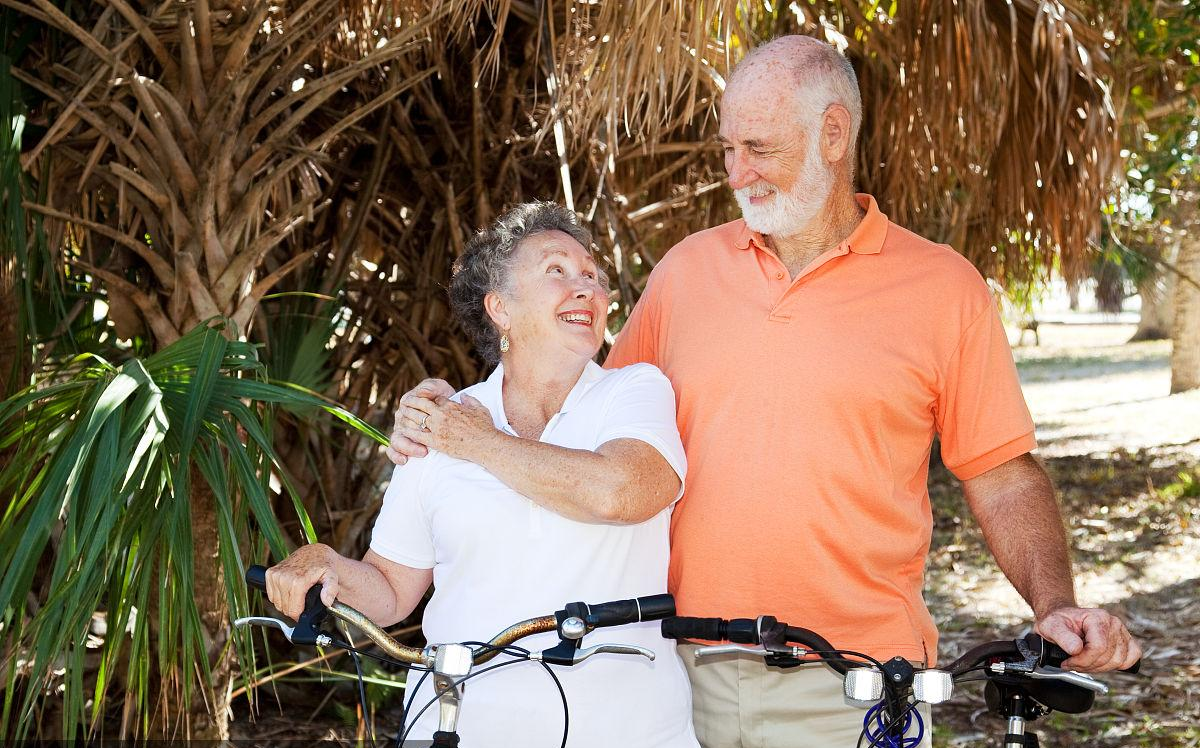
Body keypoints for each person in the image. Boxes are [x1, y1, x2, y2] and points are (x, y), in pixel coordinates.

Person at [387, 37, 1141, 747]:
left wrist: (1054, 605)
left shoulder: (944, 288)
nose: (736, 172)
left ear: (833, 135)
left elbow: (1001, 474)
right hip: (678, 675)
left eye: (759, 148)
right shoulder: (686, 272)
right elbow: (583, 406)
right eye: (728, 149)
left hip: (855, 681)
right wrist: (448, 411)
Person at [267, 202, 699, 748]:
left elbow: (623, 492)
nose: (586, 288)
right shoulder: (438, 421)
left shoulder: (633, 390)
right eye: (557, 271)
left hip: (626, 731)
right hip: (457, 725)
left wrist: (480, 442)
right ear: (500, 308)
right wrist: (326, 564)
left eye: (592, 276)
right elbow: (391, 591)